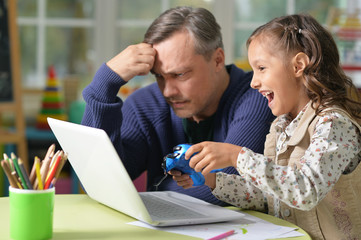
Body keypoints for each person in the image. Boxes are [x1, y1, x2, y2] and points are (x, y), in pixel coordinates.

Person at [171, 14, 361, 239]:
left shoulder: (333, 125)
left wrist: (237, 156)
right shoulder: (281, 126)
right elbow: (270, 195)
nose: (253, 82)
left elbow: (305, 190)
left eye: (261, 68)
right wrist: (212, 180)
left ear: (298, 66)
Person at [81, 6, 274, 206]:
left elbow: (231, 185)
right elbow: (96, 181)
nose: (168, 91)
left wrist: (156, 187)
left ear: (217, 60)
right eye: (159, 76)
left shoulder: (260, 96)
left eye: (180, 74)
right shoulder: (144, 105)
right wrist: (104, 86)